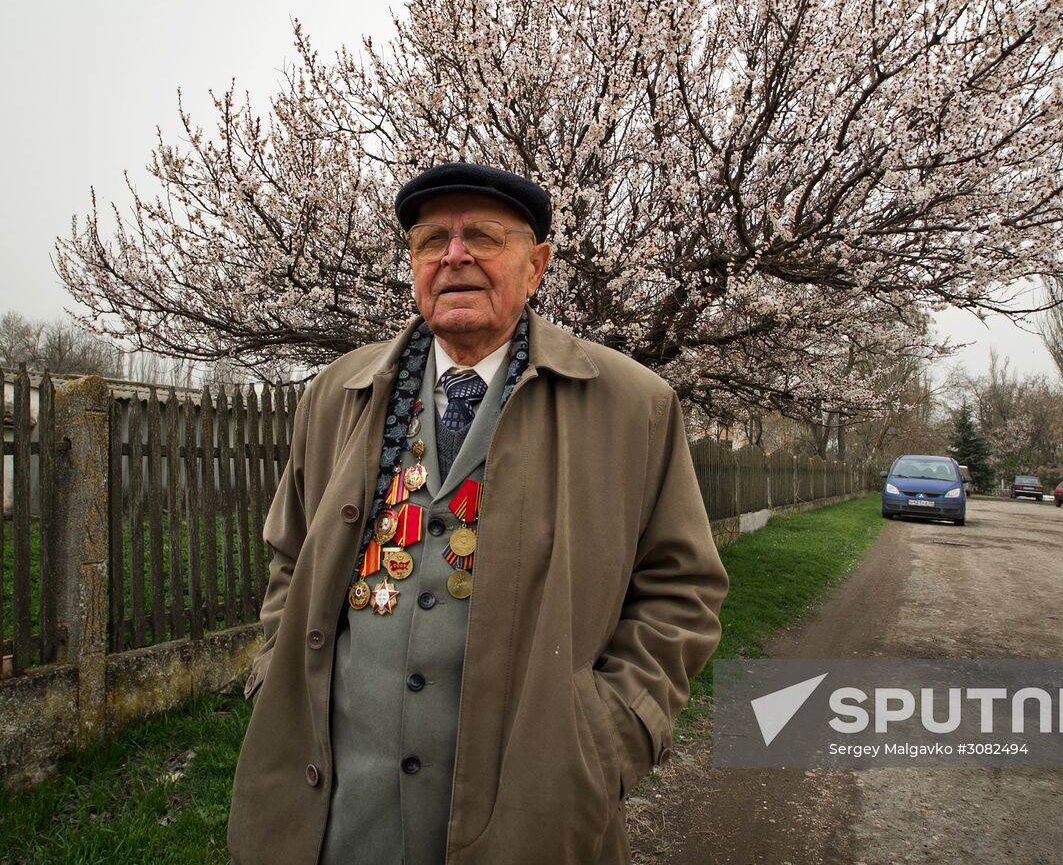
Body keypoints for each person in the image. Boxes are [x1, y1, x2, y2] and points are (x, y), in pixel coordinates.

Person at [227, 162, 729, 865]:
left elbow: (682, 589)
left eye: (483, 238)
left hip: (534, 811)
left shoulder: (631, 404)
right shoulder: (338, 392)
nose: (454, 256)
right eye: (432, 241)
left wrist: (609, 734)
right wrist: (274, 670)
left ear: (537, 266)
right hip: (340, 815)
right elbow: (289, 552)